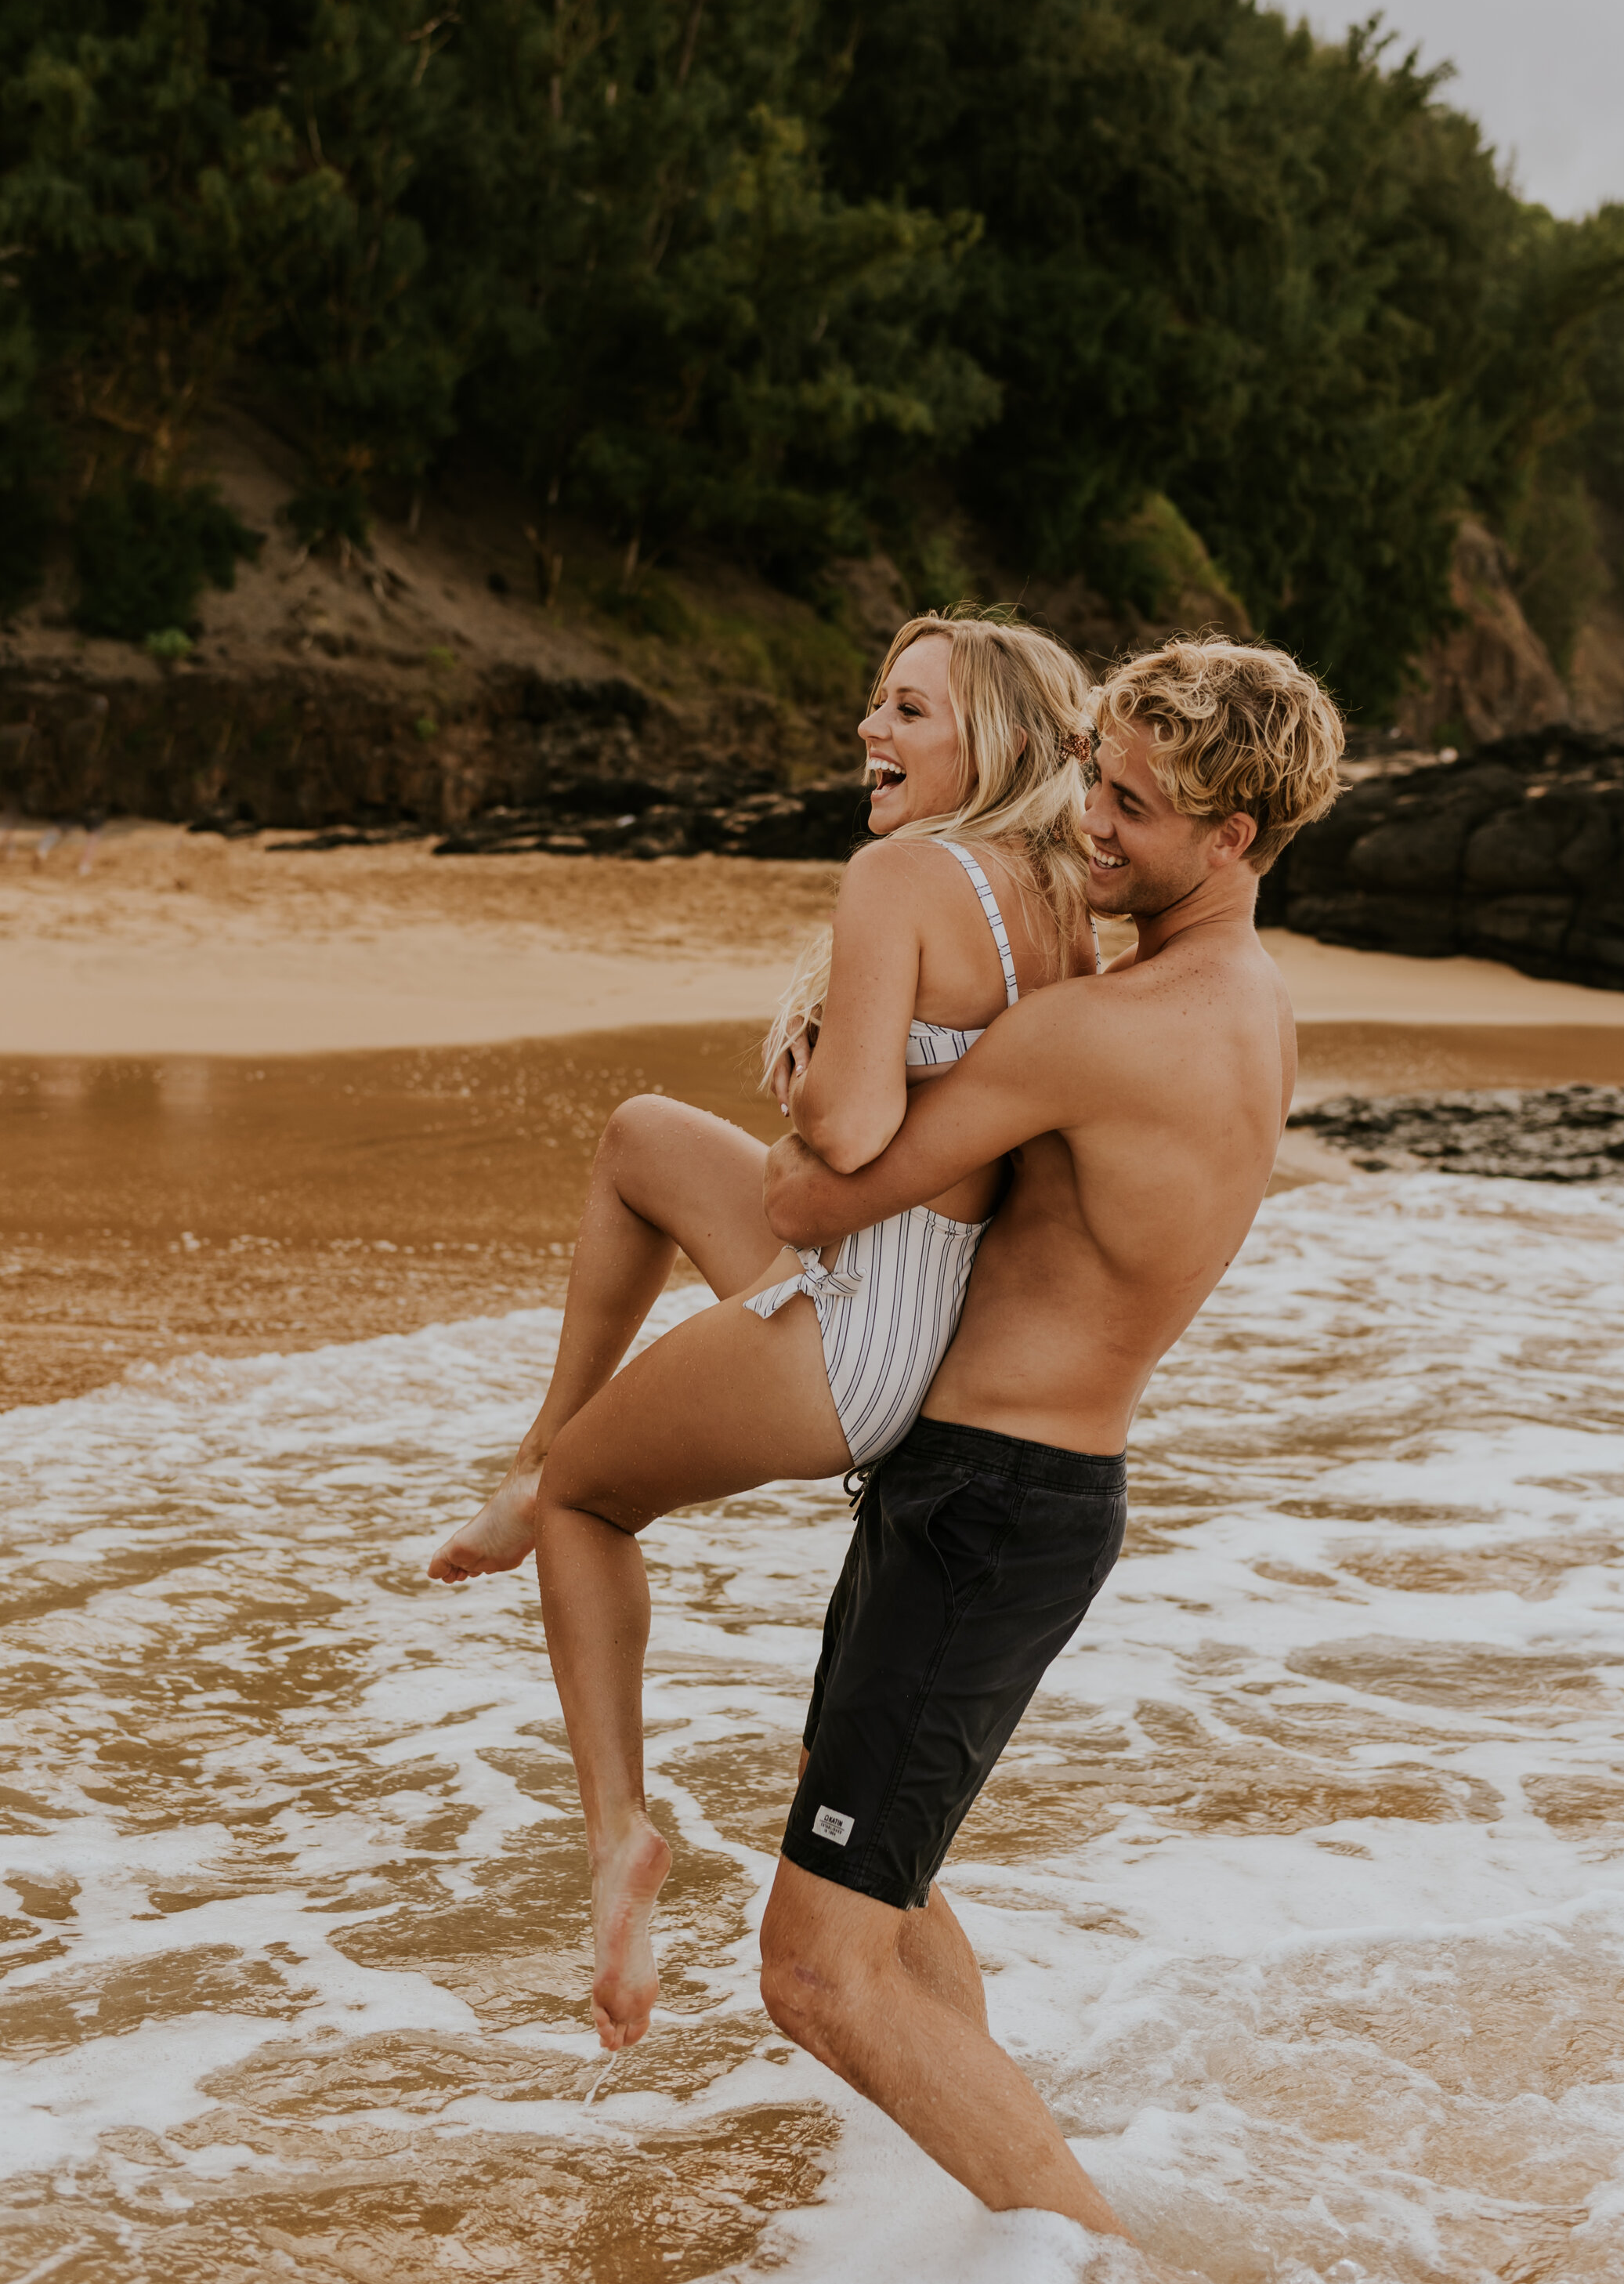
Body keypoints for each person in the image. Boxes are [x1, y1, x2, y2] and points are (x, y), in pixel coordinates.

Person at [426, 610, 1099, 2044]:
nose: (874, 729)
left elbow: (846, 1129)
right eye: (878, 702)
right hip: (936, 1326)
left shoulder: (905, 876)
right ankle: (534, 1442)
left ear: (991, 740)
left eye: (911, 710)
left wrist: (807, 1066)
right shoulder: (1056, 906)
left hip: (851, 1336)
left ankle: (617, 1834)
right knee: (642, 1139)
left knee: (588, 1509)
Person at [754, 633, 1346, 2243]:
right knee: (881, 1882)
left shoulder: (1101, 1027)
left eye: (1133, 806)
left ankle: (1088, 2249)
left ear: (1231, 839)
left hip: (986, 1507)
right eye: (1091, 773)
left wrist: (828, 1054)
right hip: (1018, 1493)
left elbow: (828, 1183)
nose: (1088, 821)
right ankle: (976, 2201)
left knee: (811, 1968)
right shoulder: (1253, 1003)